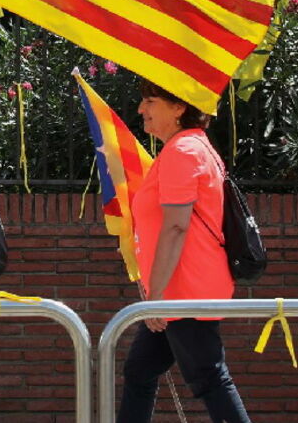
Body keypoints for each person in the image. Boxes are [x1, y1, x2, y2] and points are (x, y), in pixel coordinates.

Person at [118, 80, 252, 423]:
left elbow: (177, 226)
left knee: (208, 377)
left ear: (179, 107)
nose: (141, 110)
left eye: (150, 101)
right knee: (139, 372)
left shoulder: (183, 151)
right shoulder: (190, 147)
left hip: (182, 291)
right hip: (178, 290)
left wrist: (158, 295)